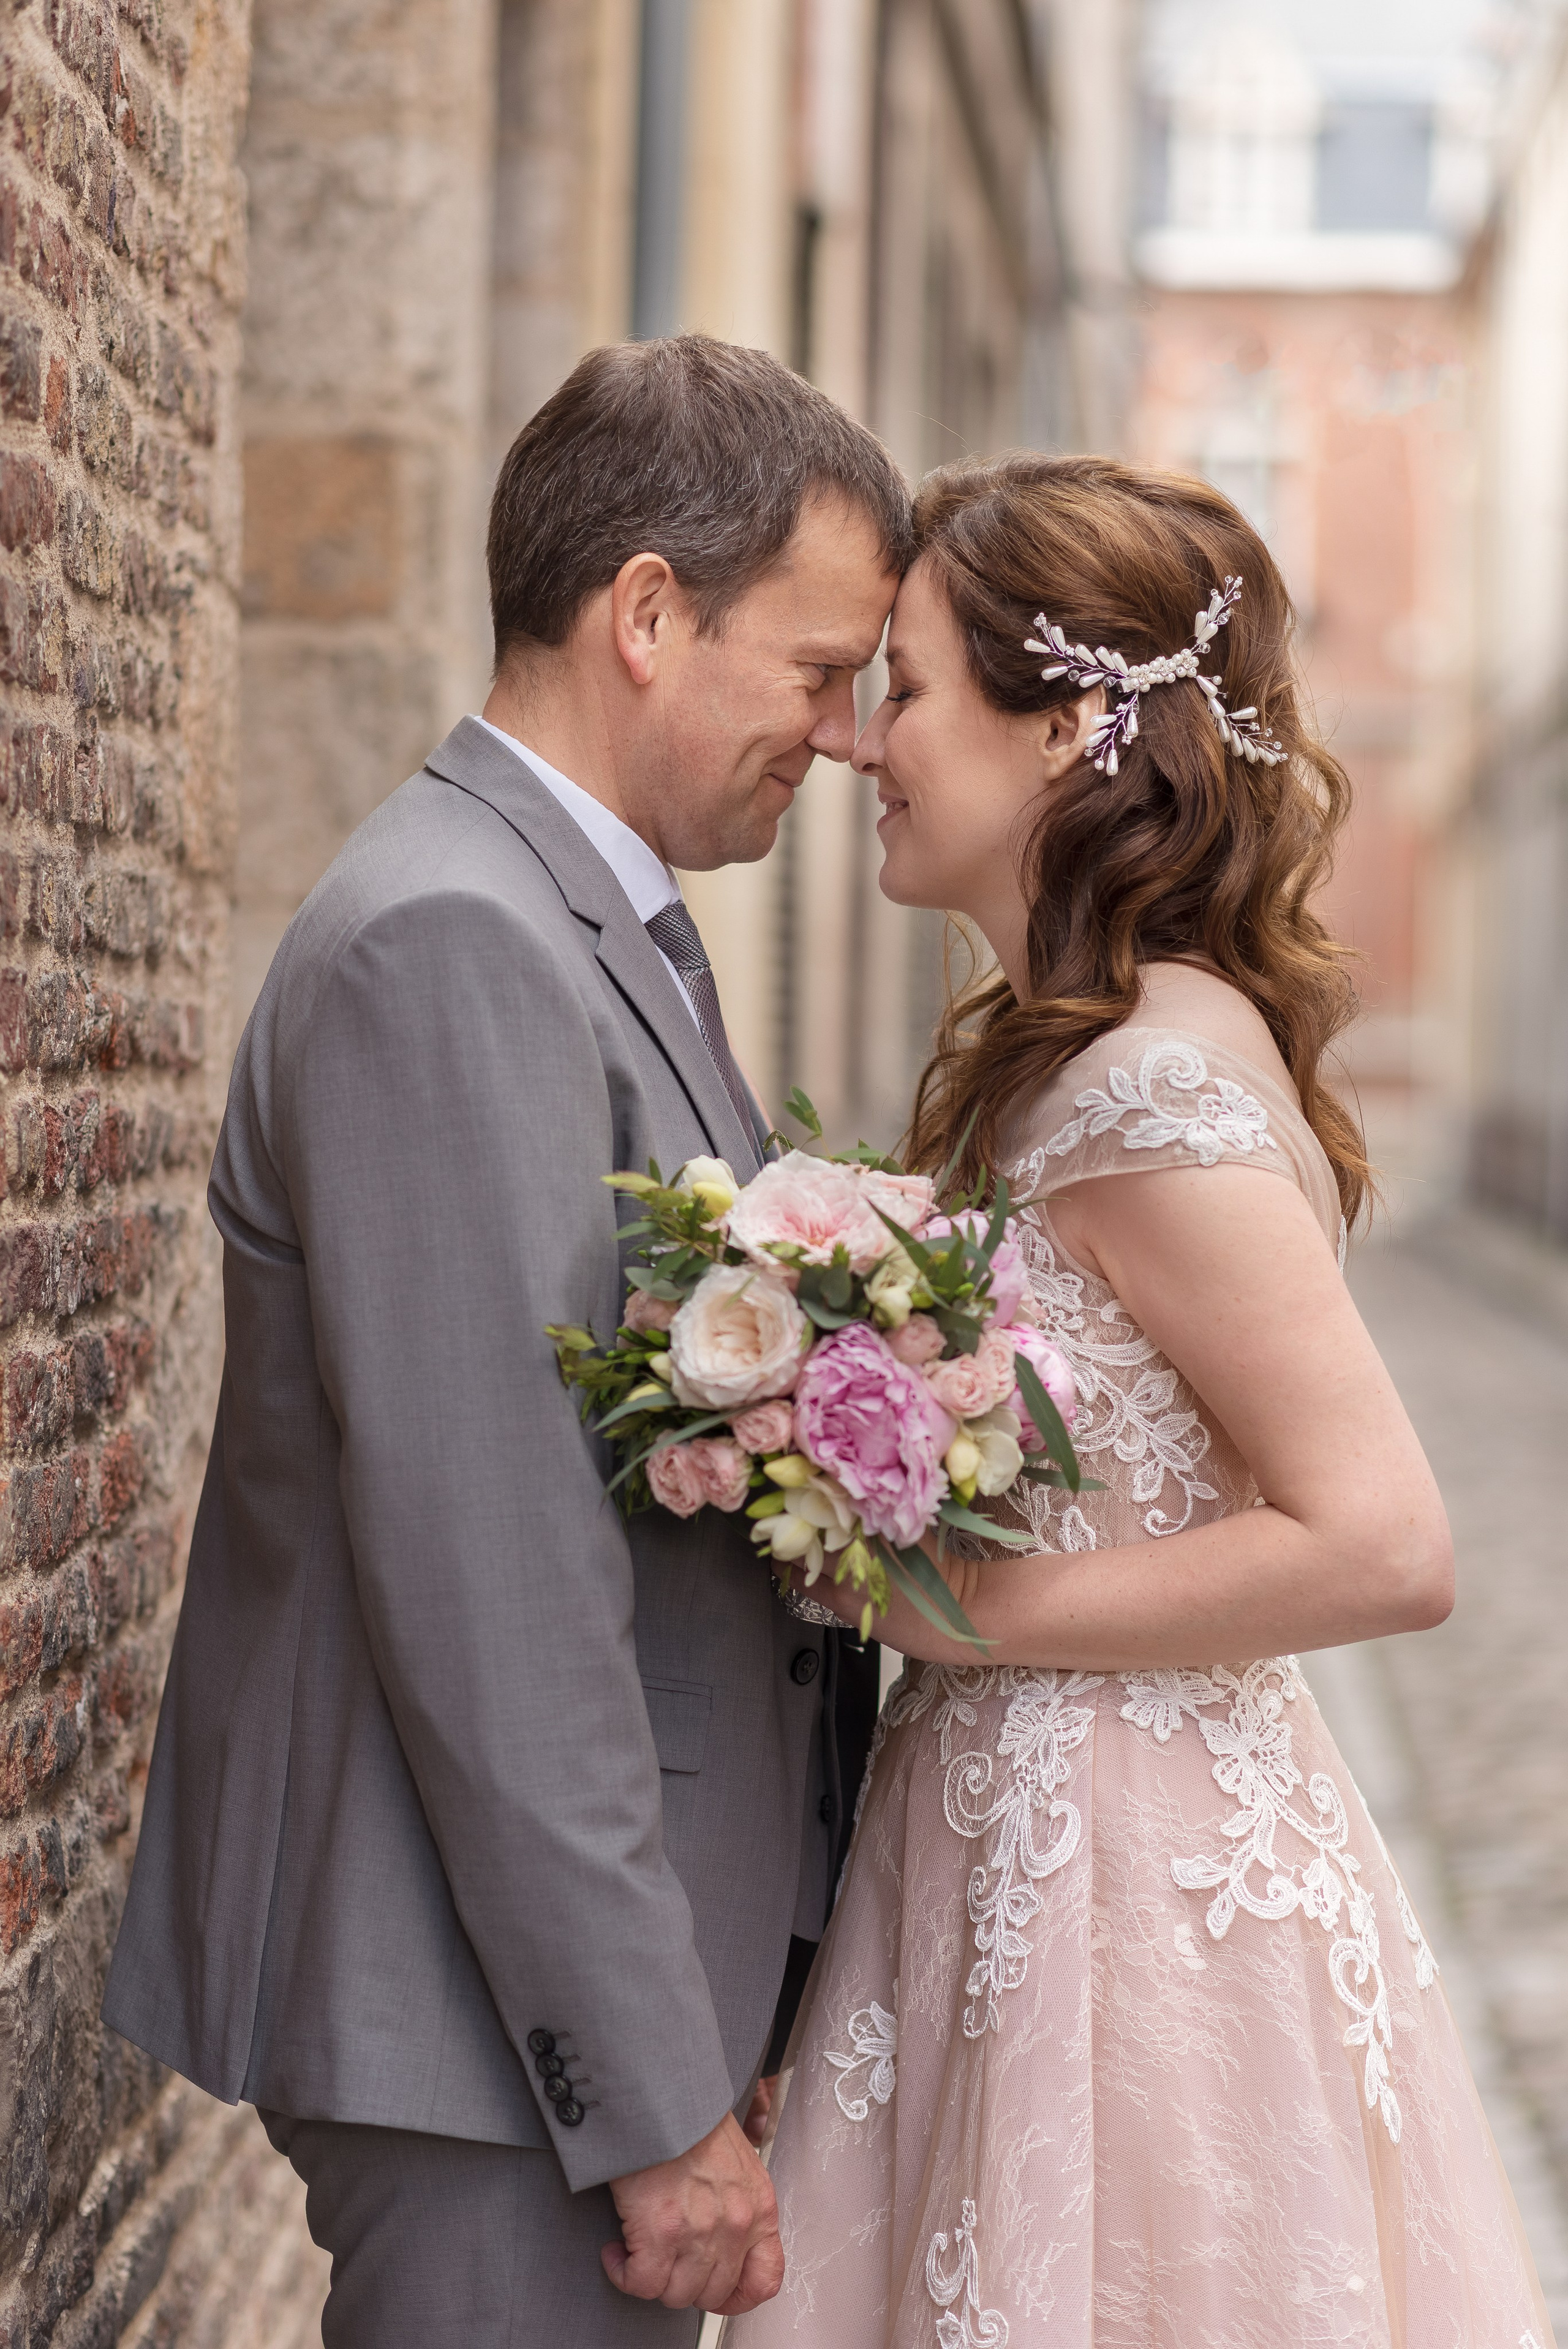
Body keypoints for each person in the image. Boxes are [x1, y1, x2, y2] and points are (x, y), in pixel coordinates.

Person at [101, 335, 905, 2347]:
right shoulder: (454, 940)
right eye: (817, 671)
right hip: (485, 2031)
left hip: (545, 2000)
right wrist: (642, 2097)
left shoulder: (591, 921)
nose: (842, 733)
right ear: (648, 611)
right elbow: (498, 1576)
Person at [726, 453, 1557, 2347]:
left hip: (1126, 1878)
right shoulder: (1076, 1063)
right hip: (1022, 1827)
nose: (865, 742)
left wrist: (955, 1606)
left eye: (913, 687)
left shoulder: (1146, 1094)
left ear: (1067, 731)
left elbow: (1383, 1538)